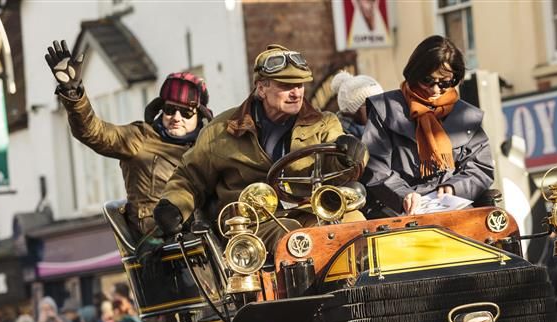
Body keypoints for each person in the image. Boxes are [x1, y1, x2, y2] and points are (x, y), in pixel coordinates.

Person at [155, 44, 368, 251]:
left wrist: (348, 153)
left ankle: (362, 286)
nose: (296, 93)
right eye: (286, 86)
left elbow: (340, 163)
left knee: (356, 223)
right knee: (294, 237)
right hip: (250, 224)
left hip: (311, 213)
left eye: (300, 85)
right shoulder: (221, 130)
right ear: (261, 88)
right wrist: (174, 206)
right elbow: (190, 176)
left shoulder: (323, 123)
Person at [45, 40, 213, 238]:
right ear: (160, 110)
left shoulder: (210, 148)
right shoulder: (139, 137)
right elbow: (93, 132)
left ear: (199, 116)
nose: (176, 117)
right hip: (158, 244)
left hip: (206, 239)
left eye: (186, 112)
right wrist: (73, 94)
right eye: (169, 109)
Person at [361, 35, 494, 215]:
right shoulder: (385, 109)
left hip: (453, 210)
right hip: (397, 211)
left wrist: (454, 188)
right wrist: (404, 195)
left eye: (446, 83)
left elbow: (480, 167)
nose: (435, 90)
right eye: (427, 80)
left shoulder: (466, 115)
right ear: (414, 74)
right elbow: (375, 166)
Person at [331, 70, 383, 138]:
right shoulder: (338, 137)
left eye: (380, 102)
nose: (378, 108)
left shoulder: (376, 129)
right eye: (370, 104)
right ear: (350, 111)